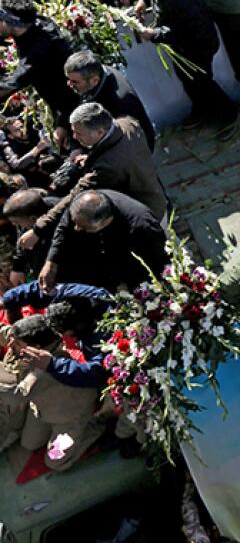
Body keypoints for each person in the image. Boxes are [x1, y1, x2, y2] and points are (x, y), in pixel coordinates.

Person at [128, 0, 240, 142]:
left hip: (195, 42)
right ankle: (201, 110)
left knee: (201, 81)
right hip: (184, 44)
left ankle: (227, 114)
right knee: (187, 79)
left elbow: (183, 28)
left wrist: (153, 34)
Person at [22, 103, 165, 254]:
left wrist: (38, 229)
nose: (75, 137)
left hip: (146, 215)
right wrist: (91, 158)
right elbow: (117, 153)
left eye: (79, 133)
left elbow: (74, 197)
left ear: (99, 131)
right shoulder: (127, 123)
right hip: (155, 193)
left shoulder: (106, 167)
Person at [4, 314, 105, 471]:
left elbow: (16, 395)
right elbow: (8, 334)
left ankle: (94, 426)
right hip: (45, 410)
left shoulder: (44, 372)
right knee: (29, 444)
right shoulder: (39, 343)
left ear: (35, 348)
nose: (10, 344)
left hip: (68, 419)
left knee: (55, 461)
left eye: (16, 343)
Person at [39, 189, 168, 294]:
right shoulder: (81, 206)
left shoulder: (142, 227)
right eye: (75, 222)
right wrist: (51, 262)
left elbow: (154, 264)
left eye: (84, 227)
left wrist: (125, 284)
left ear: (103, 223)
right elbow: (63, 228)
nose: (76, 229)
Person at [0, 0, 77, 144]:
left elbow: (15, 80)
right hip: (64, 108)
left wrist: (64, 124)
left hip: (76, 107)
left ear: (9, 21)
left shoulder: (41, 47)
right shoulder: (34, 23)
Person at [63, 49, 155, 150]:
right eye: (69, 80)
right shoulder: (98, 74)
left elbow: (130, 138)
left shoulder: (121, 101)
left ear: (94, 80)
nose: (69, 84)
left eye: (75, 82)